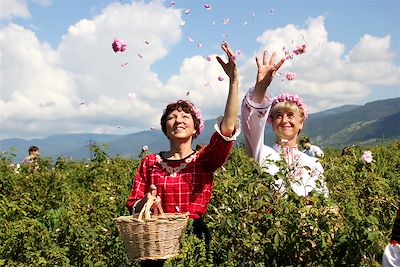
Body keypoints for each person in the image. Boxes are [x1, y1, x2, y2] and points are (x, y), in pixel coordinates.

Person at [126, 42, 240, 266]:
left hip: (193, 237)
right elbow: (133, 203)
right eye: (172, 117)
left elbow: (227, 129)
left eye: (185, 116)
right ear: (165, 127)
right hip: (155, 241)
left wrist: (233, 81)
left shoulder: (204, 160)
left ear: (196, 128)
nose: (178, 120)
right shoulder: (150, 163)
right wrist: (148, 202)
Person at [240, 50, 329, 198]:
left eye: (290, 115)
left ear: (301, 123)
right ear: (272, 122)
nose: (285, 120)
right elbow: (250, 125)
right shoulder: (263, 154)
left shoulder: (313, 164)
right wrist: (261, 87)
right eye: (278, 116)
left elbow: (324, 203)